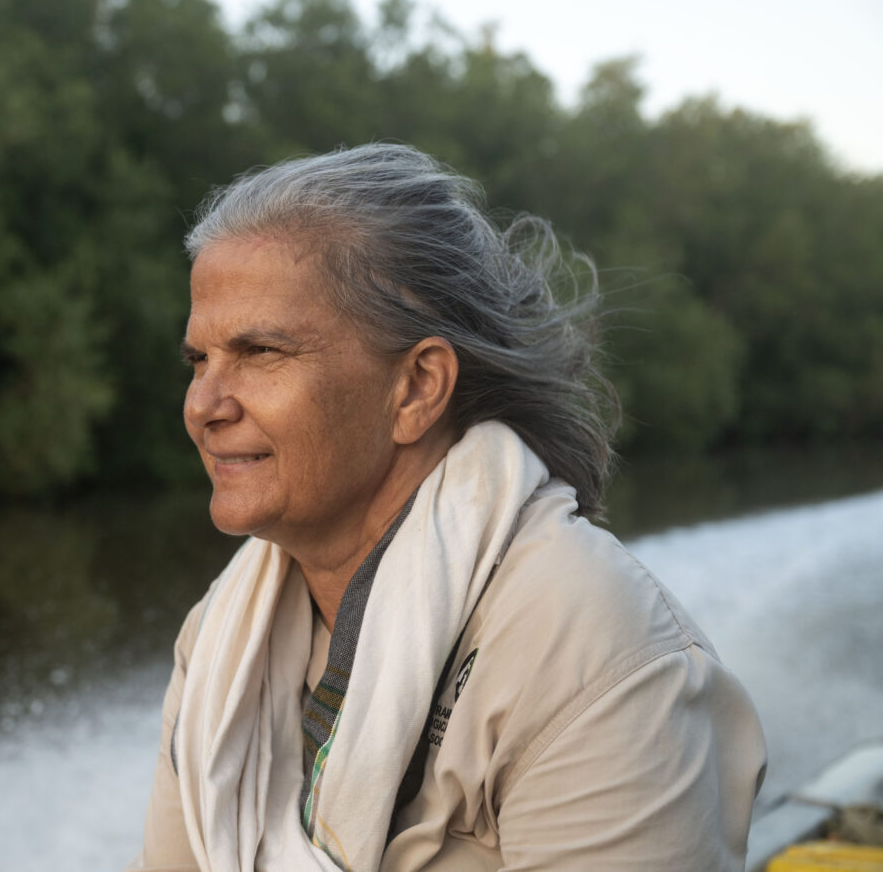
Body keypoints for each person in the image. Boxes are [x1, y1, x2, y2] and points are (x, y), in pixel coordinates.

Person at [130, 144, 766, 872]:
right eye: (198, 361)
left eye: (262, 352)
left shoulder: (592, 649)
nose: (204, 405)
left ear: (417, 388)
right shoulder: (219, 636)